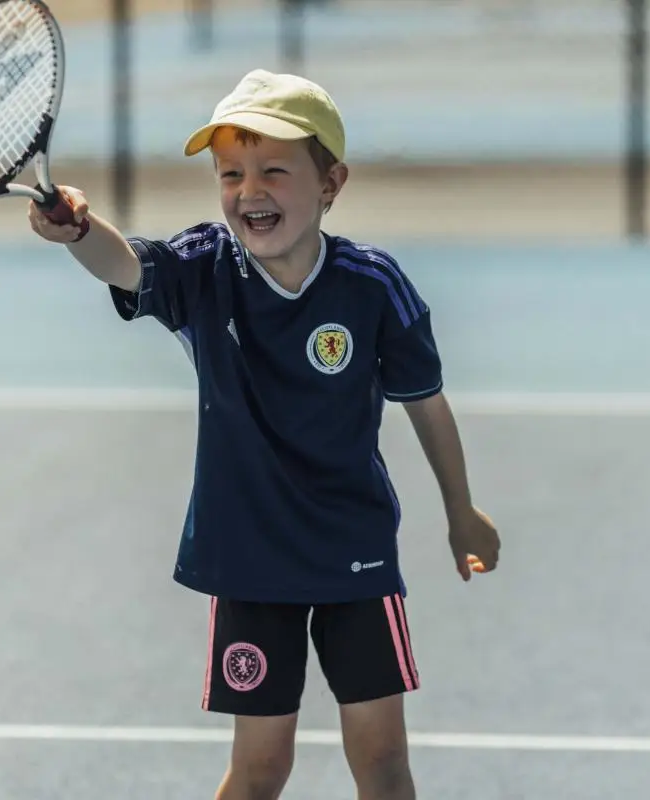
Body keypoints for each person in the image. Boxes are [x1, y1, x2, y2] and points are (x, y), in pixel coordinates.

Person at [28, 69, 501, 800]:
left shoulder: (373, 285)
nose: (249, 191)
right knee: (260, 768)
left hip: (353, 552)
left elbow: (426, 403)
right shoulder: (200, 270)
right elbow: (123, 263)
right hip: (249, 558)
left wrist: (460, 511)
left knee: (381, 761)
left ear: (331, 183)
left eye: (274, 171)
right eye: (230, 173)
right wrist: (79, 232)